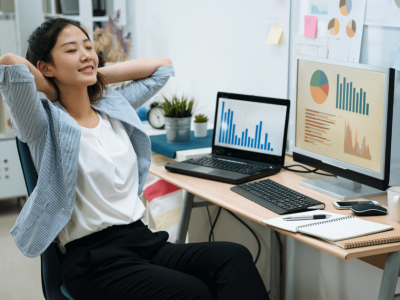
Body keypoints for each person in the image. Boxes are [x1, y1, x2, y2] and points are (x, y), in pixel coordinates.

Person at [0, 18, 270, 300]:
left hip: (145, 241)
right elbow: (10, 63)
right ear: (45, 67)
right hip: (95, 261)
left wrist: (89, 74)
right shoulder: (43, 124)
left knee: (233, 257)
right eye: (70, 50)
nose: (85, 55)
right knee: (194, 292)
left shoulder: (113, 107)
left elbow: (162, 68)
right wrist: (54, 90)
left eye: (88, 47)